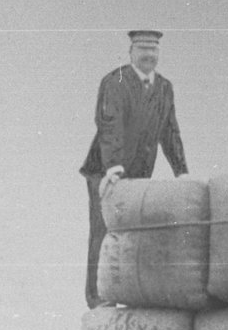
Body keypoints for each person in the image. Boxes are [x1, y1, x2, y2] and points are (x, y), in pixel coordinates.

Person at [80, 29, 188, 306]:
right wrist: (113, 167)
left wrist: (182, 171)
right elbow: (109, 123)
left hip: (139, 174)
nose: (148, 56)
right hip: (106, 172)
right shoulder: (115, 81)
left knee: (132, 234)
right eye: (143, 50)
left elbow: (170, 131)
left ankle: (126, 292)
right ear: (131, 53)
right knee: (104, 232)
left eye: (153, 51)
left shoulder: (164, 87)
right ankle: (98, 298)